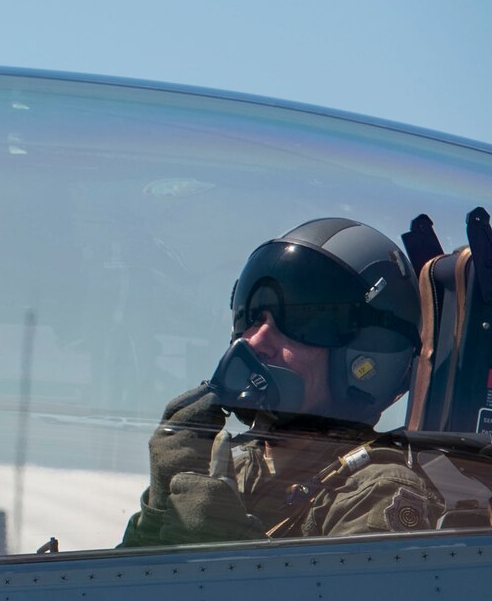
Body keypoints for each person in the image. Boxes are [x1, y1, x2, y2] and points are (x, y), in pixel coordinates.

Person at [121, 218, 438, 547]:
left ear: (370, 354)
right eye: (251, 317)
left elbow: (338, 599)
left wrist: (226, 547)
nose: (255, 342)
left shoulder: (375, 491)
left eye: (300, 322)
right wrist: (160, 508)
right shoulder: (231, 468)